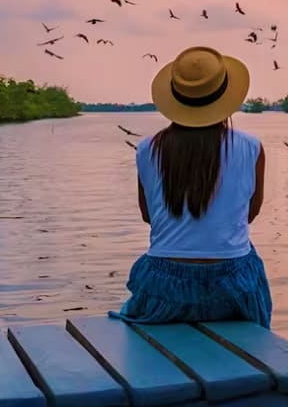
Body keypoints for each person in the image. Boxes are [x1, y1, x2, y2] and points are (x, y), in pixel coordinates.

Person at [112, 45, 272, 328]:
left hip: (164, 287)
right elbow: (249, 214)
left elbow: (149, 216)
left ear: (175, 97)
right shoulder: (251, 147)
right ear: (225, 96)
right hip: (232, 285)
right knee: (247, 254)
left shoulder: (147, 148)